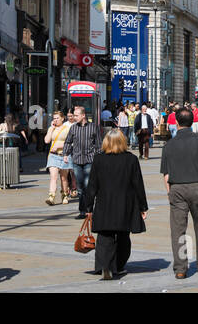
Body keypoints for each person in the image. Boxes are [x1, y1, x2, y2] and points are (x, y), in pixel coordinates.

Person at [160, 107, 198, 278]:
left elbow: (166, 174)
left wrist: (169, 192)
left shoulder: (169, 145)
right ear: (193, 122)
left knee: (178, 229)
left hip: (177, 189)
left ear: (177, 122)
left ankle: (181, 268)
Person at [83, 128, 148, 280]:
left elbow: (92, 185)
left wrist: (88, 207)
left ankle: (104, 266)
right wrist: (142, 206)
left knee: (105, 237)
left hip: (104, 203)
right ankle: (118, 265)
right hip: (126, 203)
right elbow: (138, 184)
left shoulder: (99, 159)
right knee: (123, 237)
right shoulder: (131, 159)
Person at [64, 106, 100, 219]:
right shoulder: (73, 128)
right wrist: (65, 154)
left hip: (90, 160)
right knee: (80, 188)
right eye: (74, 115)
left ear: (83, 115)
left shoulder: (93, 127)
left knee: (88, 185)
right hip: (77, 161)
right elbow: (68, 142)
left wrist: (99, 157)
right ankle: (82, 211)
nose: (74, 117)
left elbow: (99, 144)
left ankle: (90, 210)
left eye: (76, 115)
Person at [44, 111, 72, 205]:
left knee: (64, 178)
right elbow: (47, 140)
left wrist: (60, 145)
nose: (55, 120)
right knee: (53, 176)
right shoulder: (51, 128)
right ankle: (51, 196)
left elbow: (71, 142)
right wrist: (51, 128)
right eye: (54, 118)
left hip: (64, 155)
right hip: (53, 155)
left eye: (57, 118)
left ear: (62, 118)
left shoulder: (67, 128)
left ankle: (64, 194)